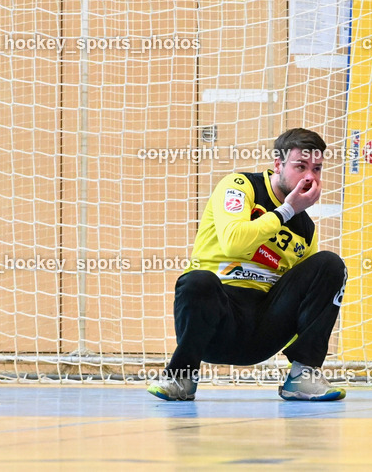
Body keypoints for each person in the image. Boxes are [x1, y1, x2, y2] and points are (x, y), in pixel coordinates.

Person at [148, 128, 348, 401]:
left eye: (317, 168)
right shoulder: (240, 186)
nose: (310, 177)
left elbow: (305, 304)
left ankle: (303, 375)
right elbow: (233, 243)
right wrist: (286, 210)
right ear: (278, 165)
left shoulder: (306, 229)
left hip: (262, 330)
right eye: (300, 166)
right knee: (197, 280)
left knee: (330, 264)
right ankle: (182, 375)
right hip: (216, 321)